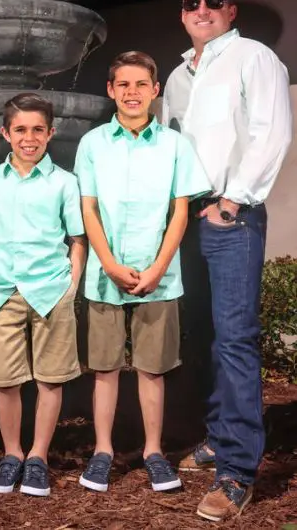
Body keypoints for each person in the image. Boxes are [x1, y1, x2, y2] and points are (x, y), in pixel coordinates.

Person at [162, 0, 292, 522]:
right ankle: (218, 436)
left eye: (214, 0)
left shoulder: (253, 57)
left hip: (230, 216)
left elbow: (272, 132)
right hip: (186, 219)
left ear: (230, 10)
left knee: (236, 338)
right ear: (184, 13)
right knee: (205, 334)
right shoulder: (174, 77)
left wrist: (232, 201)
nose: (203, 9)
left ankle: (237, 471)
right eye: (193, 3)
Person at [74, 51, 210, 495]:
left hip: (160, 276)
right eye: (123, 85)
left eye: (141, 85)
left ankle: (154, 451)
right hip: (105, 274)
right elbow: (87, 207)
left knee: (152, 369)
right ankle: (103, 451)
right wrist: (109, 263)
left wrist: (158, 268)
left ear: (155, 91)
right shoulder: (93, 143)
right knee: (106, 369)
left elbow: (180, 211)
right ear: (111, 91)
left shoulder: (174, 145)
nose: (132, 93)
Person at [0, 92, 86, 497]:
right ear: (5, 133)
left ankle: (37, 456)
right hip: (4, 291)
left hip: (51, 290)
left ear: (51, 132)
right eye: (20, 129)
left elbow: (77, 238)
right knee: (5, 381)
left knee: (50, 379)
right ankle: (12, 455)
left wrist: (71, 285)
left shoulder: (64, 182)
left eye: (38, 129)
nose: (29, 137)